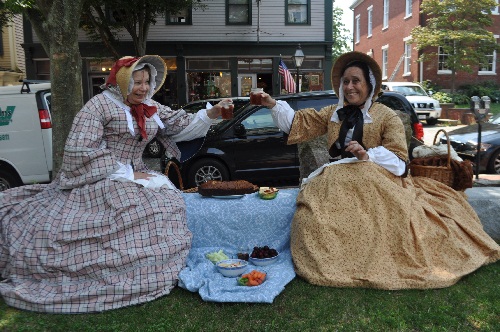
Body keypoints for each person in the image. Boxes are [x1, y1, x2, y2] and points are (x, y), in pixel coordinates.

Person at [0, 55, 229, 312]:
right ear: (122, 81)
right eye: (136, 82)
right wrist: (126, 173)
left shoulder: (149, 105)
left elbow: (179, 124)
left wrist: (213, 112)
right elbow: (80, 149)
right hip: (101, 176)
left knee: (167, 202)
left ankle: (153, 268)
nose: (143, 88)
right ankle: (115, 271)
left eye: (146, 82)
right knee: (128, 212)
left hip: (138, 173)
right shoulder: (98, 106)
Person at [260, 51, 500, 289]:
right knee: (311, 216)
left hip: (378, 178)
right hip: (337, 179)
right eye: (346, 81)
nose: (350, 87)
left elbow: (399, 159)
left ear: (370, 84)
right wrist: (272, 104)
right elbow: (300, 123)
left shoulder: (387, 116)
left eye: (356, 81)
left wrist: (367, 154)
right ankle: (336, 263)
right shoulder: (333, 113)